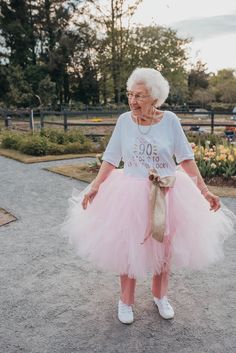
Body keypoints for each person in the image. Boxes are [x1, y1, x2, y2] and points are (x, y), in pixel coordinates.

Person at [62, 68, 234, 325]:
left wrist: (204, 190)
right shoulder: (124, 121)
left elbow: (185, 158)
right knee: (128, 247)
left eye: (139, 96)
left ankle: (160, 296)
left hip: (168, 192)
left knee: (165, 248)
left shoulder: (171, 120)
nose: (133, 101)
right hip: (130, 193)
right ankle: (125, 301)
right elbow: (111, 157)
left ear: (155, 97)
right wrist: (96, 185)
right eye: (130, 94)